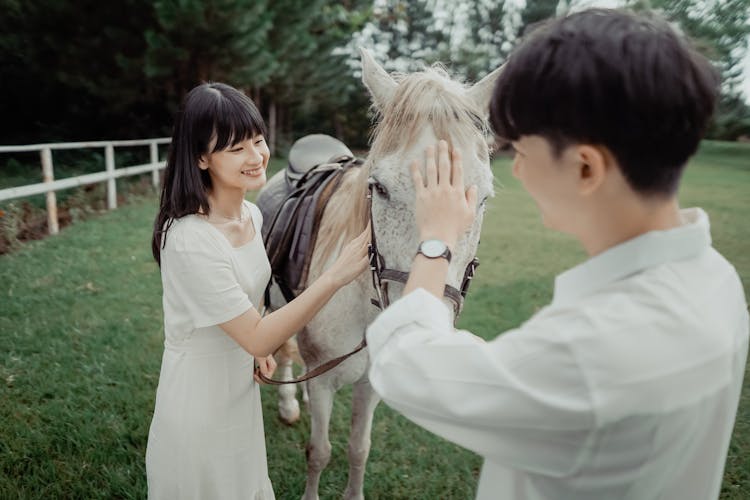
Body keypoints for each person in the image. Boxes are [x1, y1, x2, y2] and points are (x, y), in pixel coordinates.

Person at [366, 9, 749, 500]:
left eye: (521, 152)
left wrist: (436, 239)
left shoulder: (587, 352)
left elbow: (404, 363)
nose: (517, 172)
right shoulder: (715, 278)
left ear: (585, 168)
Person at [146, 82, 369, 499]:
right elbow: (255, 333)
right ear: (200, 157)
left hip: (240, 389)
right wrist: (334, 277)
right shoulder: (191, 238)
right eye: (236, 149)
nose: (256, 156)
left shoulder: (251, 214)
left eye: (258, 140)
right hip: (199, 398)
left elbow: (251, 315)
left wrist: (259, 349)